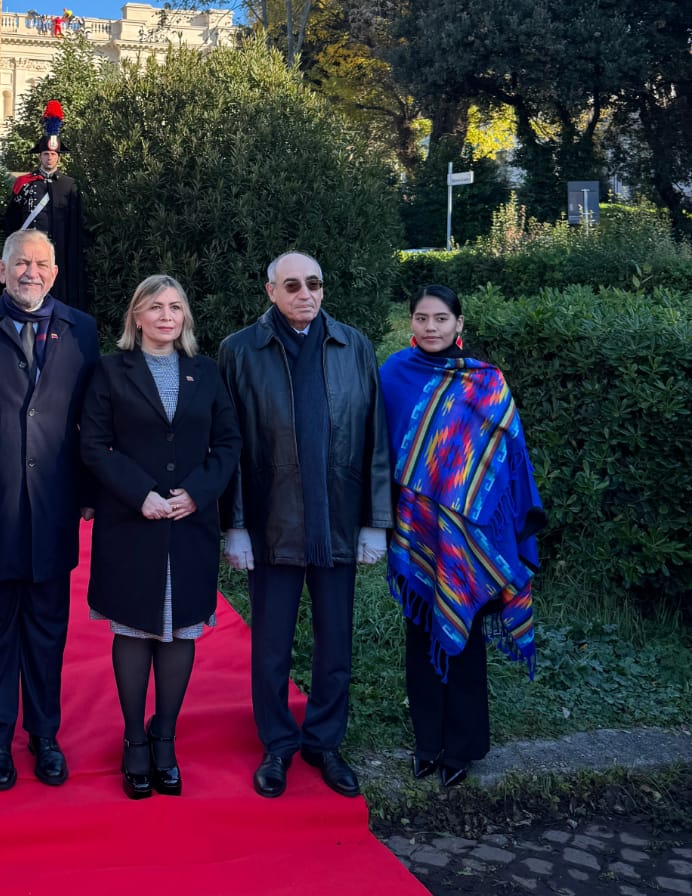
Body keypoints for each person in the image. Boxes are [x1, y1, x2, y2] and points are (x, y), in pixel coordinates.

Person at [218, 251, 392, 799]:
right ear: (270, 290)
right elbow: (231, 448)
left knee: (335, 642)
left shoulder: (354, 345)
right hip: (272, 523)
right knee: (271, 644)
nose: (305, 293)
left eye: (314, 283)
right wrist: (235, 525)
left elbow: (375, 439)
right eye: (291, 285)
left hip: (338, 520)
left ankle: (324, 742)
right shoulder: (239, 351)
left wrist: (375, 521)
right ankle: (277, 745)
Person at [0, 228, 99, 791]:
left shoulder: (82, 329)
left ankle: (45, 735)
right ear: (2, 270)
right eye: (20, 263)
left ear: (55, 273)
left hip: (55, 507)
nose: (31, 272)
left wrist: (90, 492)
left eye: (41, 264)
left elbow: (93, 420)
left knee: (47, 630)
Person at [80, 275, 240, 799]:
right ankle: (133, 740)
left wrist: (197, 493)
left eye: (176, 307)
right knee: (133, 630)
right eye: (156, 307)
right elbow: (95, 444)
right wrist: (140, 492)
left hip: (189, 521)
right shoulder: (109, 371)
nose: (167, 316)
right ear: (137, 317)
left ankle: (164, 737)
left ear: (185, 317)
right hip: (132, 523)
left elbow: (227, 441)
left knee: (181, 629)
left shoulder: (207, 373)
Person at [380, 285, 546, 788]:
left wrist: (497, 524)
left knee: (466, 636)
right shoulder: (393, 374)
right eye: (422, 318)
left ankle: (464, 747)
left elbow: (509, 460)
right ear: (410, 322)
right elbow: (377, 447)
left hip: (471, 536)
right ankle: (428, 744)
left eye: (441, 318)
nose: (430, 327)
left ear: (459, 324)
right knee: (420, 634)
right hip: (416, 527)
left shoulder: (486, 382)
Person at [2, 101, 86, 309]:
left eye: (54, 154)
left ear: (59, 157)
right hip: (28, 250)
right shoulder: (24, 183)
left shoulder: (69, 185)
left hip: (58, 252)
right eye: (46, 154)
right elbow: (12, 220)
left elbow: (75, 226)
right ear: (40, 156)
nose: (50, 158)